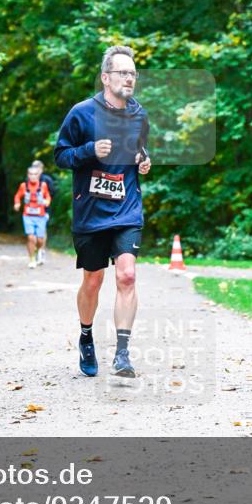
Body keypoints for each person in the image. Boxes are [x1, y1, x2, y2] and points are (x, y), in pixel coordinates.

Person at [54, 44, 152, 378]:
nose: (130, 78)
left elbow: (139, 149)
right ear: (105, 77)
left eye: (133, 73)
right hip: (91, 212)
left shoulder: (139, 114)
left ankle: (123, 354)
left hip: (126, 209)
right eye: (123, 72)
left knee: (127, 275)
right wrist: (88, 150)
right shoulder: (81, 113)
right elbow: (62, 155)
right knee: (93, 280)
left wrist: (143, 160)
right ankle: (86, 335)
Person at [14, 166, 52, 269]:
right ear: (28, 175)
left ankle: (39, 250)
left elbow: (48, 196)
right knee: (31, 237)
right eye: (31, 174)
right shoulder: (23, 186)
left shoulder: (43, 185)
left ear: (38, 175)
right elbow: (17, 196)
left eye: (35, 174)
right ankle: (32, 259)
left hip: (41, 216)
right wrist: (17, 204)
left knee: (40, 240)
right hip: (28, 216)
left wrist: (47, 202)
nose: (33, 176)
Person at [30, 159, 56, 265]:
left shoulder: (47, 180)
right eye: (33, 167)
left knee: (42, 230)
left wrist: (46, 200)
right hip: (31, 210)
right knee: (33, 233)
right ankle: (35, 251)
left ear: (41, 169)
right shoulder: (29, 179)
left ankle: (41, 251)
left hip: (44, 209)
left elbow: (53, 192)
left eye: (37, 167)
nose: (35, 170)